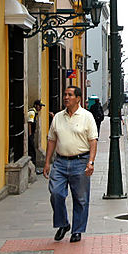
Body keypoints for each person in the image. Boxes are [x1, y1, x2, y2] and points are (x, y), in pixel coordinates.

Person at [43, 86, 98, 243]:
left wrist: (91, 162)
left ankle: (77, 230)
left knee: (80, 198)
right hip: (60, 162)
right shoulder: (58, 117)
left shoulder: (87, 117)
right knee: (56, 193)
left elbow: (93, 141)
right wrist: (47, 162)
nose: (66, 97)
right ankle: (63, 224)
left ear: (78, 98)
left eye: (70, 95)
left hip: (80, 161)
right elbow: (51, 140)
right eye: (65, 94)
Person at [27, 100, 44, 168]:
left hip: (31, 134)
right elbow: (29, 123)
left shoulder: (34, 112)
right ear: (35, 105)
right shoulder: (32, 112)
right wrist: (30, 134)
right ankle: (33, 166)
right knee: (32, 151)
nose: (40, 108)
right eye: (39, 106)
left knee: (32, 151)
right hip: (30, 135)